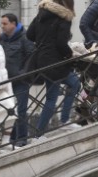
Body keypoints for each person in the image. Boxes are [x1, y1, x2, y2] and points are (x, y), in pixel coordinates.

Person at [28, 0, 81, 137]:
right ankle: (47, 130)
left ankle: (58, 123)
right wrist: (70, 54)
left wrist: (43, 40)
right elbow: (61, 43)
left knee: (71, 84)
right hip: (54, 62)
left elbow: (29, 34)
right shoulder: (64, 17)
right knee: (62, 91)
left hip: (41, 60)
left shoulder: (41, 14)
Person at [0, 13, 35, 147]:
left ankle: (22, 138)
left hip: (21, 81)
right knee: (9, 110)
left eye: (5, 23)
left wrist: (23, 73)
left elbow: (31, 56)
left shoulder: (24, 38)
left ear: (13, 24)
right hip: (6, 81)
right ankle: (11, 138)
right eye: (2, 23)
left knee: (21, 109)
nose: (2, 26)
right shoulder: (2, 39)